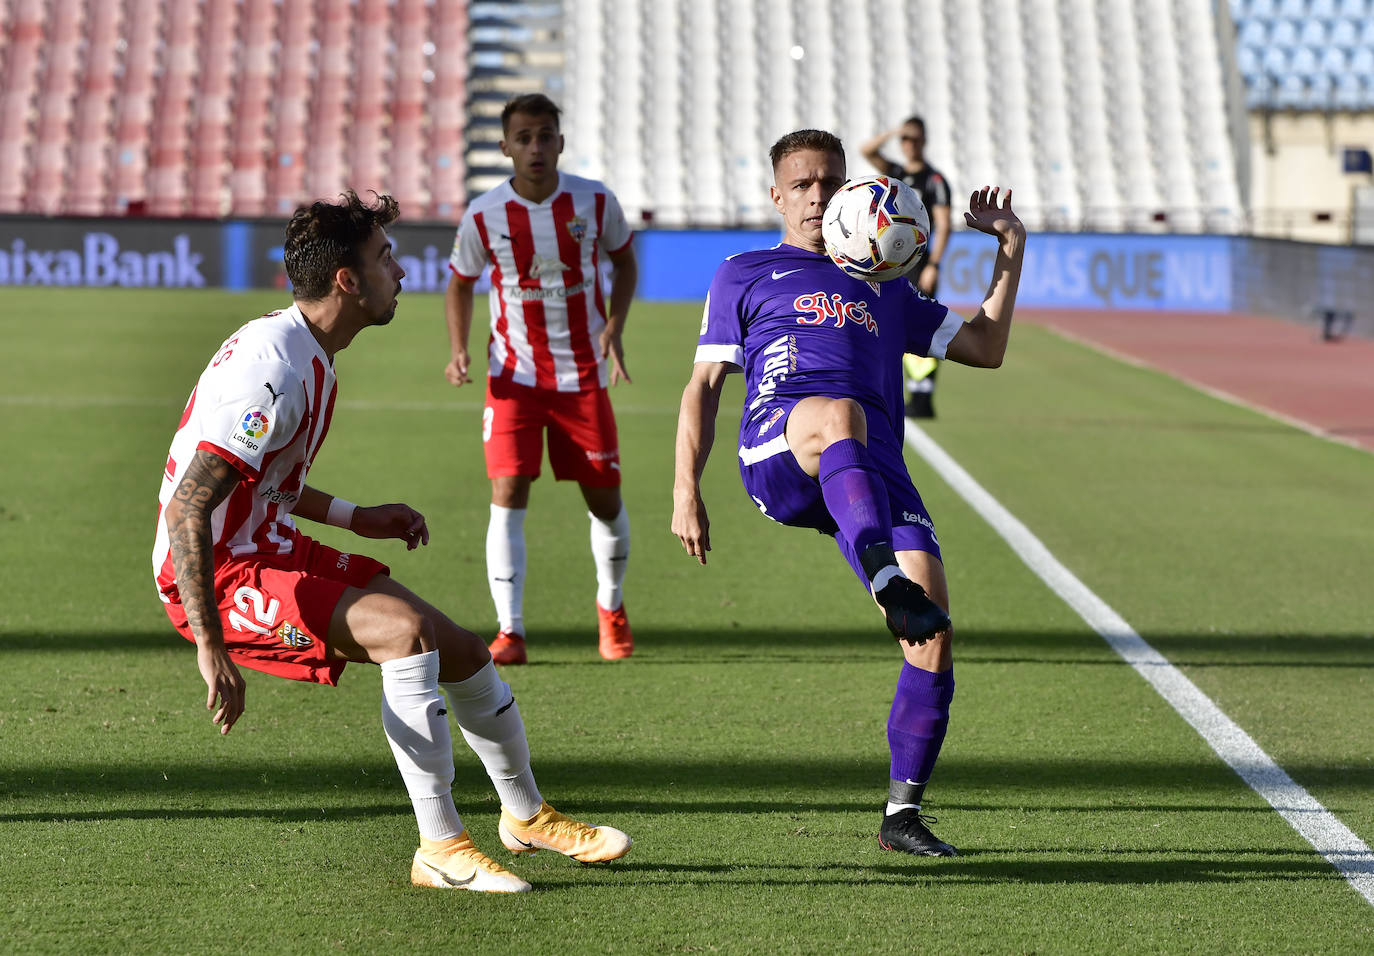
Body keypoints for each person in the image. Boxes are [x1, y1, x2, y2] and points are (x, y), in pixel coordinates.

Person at [152, 191, 631, 894]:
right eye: (385, 258)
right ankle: (439, 846)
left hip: (267, 543)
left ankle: (526, 817)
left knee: (464, 650)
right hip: (217, 576)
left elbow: (265, 482)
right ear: (346, 280)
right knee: (404, 636)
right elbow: (188, 510)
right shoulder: (272, 370)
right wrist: (208, 643)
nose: (401, 271)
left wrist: (355, 515)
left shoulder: (306, 350)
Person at [671, 130, 1025, 857]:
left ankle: (902, 814)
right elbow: (703, 386)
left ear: (852, 191)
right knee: (838, 414)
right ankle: (883, 574)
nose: (816, 194)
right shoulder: (744, 272)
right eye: (800, 184)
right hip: (780, 448)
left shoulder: (887, 284)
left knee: (933, 628)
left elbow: (987, 348)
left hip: (868, 463)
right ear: (776, 194)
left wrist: (1010, 247)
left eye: (829, 181)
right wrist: (686, 489)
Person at [445, 93, 638, 666]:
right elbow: (460, 282)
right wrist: (458, 349)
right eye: (523, 138)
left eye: (544, 135)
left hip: (582, 377)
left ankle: (611, 606)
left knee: (604, 502)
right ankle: (510, 631)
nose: (535, 147)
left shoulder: (596, 202)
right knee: (507, 495)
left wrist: (616, 327)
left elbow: (625, 260)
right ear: (504, 147)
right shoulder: (483, 214)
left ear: (560, 141)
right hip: (514, 377)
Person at [860, 116, 953, 418]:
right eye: (905, 139)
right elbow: (866, 150)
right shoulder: (896, 174)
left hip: (918, 263)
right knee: (889, 322)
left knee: (920, 322)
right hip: (893, 264)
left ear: (925, 141)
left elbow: (944, 224)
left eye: (914, 139)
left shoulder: (934, 180)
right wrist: (893, 132)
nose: (909, 144)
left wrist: (934, 264)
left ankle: (923, 396)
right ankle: (904, 392)